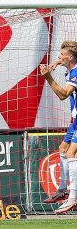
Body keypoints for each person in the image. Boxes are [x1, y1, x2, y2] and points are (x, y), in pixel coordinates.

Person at [39, 41, 77, 213]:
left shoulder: (75, 73)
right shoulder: (69, 66)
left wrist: (48, 77)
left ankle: (72, 199)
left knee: (71, 153)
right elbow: (60, 60)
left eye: (62, 55)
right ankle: (62, 189)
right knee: (63, 149)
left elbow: (63, 95)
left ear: (70, 57)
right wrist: (55, 63)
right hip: (75, 119)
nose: (59, 57)